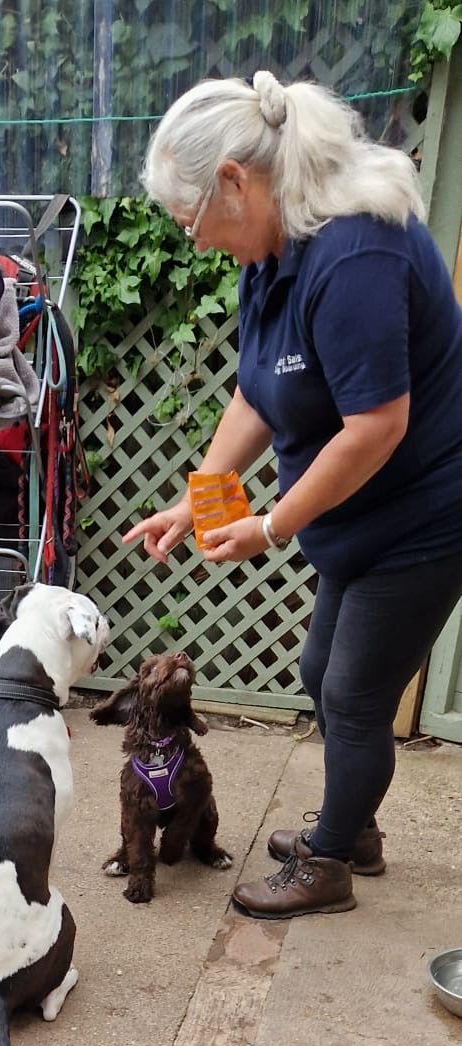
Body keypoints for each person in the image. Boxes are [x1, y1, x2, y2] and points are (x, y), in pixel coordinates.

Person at [124, 70, 462, 918]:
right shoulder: (275, 249)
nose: (195, 241)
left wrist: (269, 525)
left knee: (352, 695)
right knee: (321, 671)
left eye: (191, 221)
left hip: (426, 511)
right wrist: (199, 499)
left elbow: (375, 426)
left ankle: (332, 862)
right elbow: (259, 391)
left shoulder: (354, 251)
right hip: (360, 516)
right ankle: (357, 822)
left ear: (236, 181)